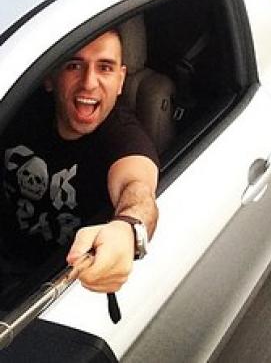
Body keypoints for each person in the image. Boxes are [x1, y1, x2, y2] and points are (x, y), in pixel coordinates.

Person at [0, 30, 159, 297]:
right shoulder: (18, 106)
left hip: (53, 285)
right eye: (74, 66)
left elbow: (137, 188)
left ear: (120, 81)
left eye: (105, 68)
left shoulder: (124, 137)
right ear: (50, 77)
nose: (89, 83)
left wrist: (127, 230)